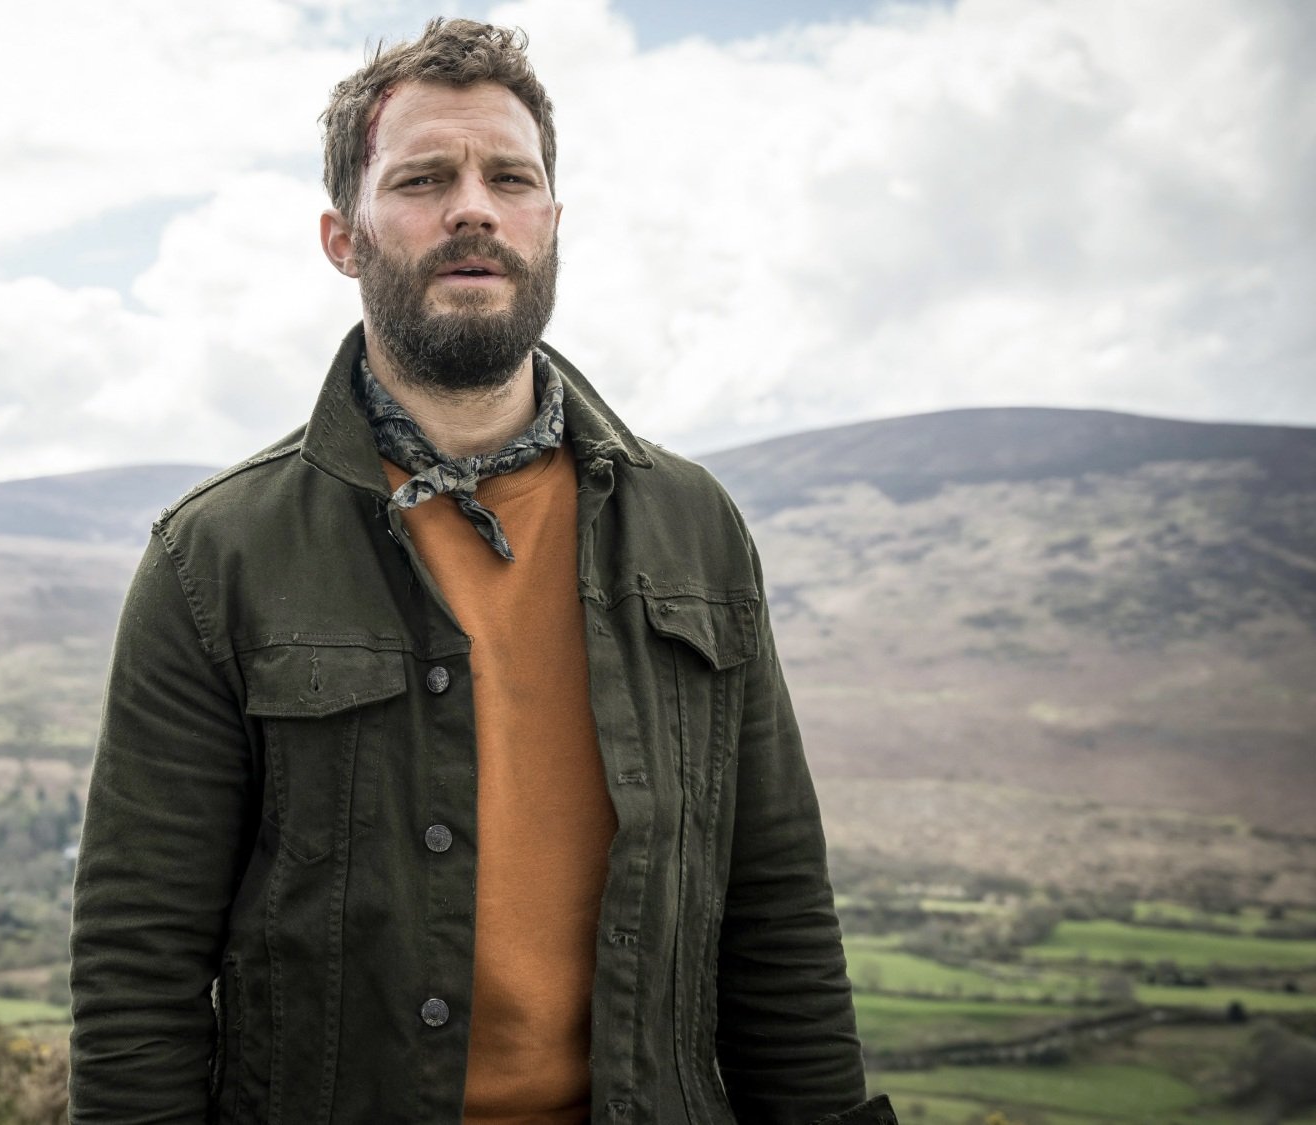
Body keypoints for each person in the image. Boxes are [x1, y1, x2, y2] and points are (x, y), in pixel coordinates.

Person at [69, 18, 895, 1125]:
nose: (473, 206)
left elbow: (777, 913)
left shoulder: (691, 529)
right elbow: (138, 968)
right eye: (422, 178)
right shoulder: (214, 556)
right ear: (342, 239)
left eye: (510, 177)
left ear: (550, 224)